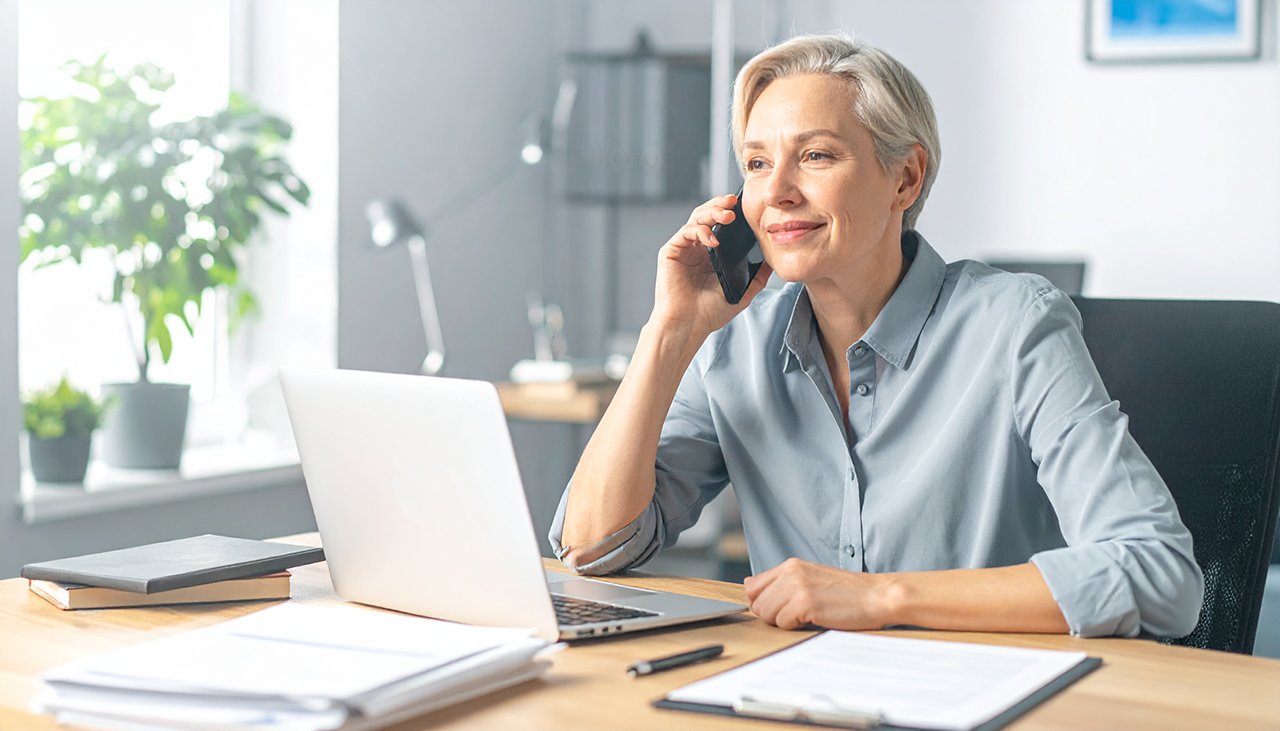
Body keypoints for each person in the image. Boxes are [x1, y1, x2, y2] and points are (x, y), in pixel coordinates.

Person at [548, 34, 1203, 638]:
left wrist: (881, 597)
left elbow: (1159, 572)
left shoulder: (1015, 324)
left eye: (815, 155)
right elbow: (592, 548)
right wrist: (670, 329)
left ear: (905, 178)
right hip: (795, 690)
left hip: (984, 689)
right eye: (756, 162)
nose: (776, 192)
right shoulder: (733, 345)